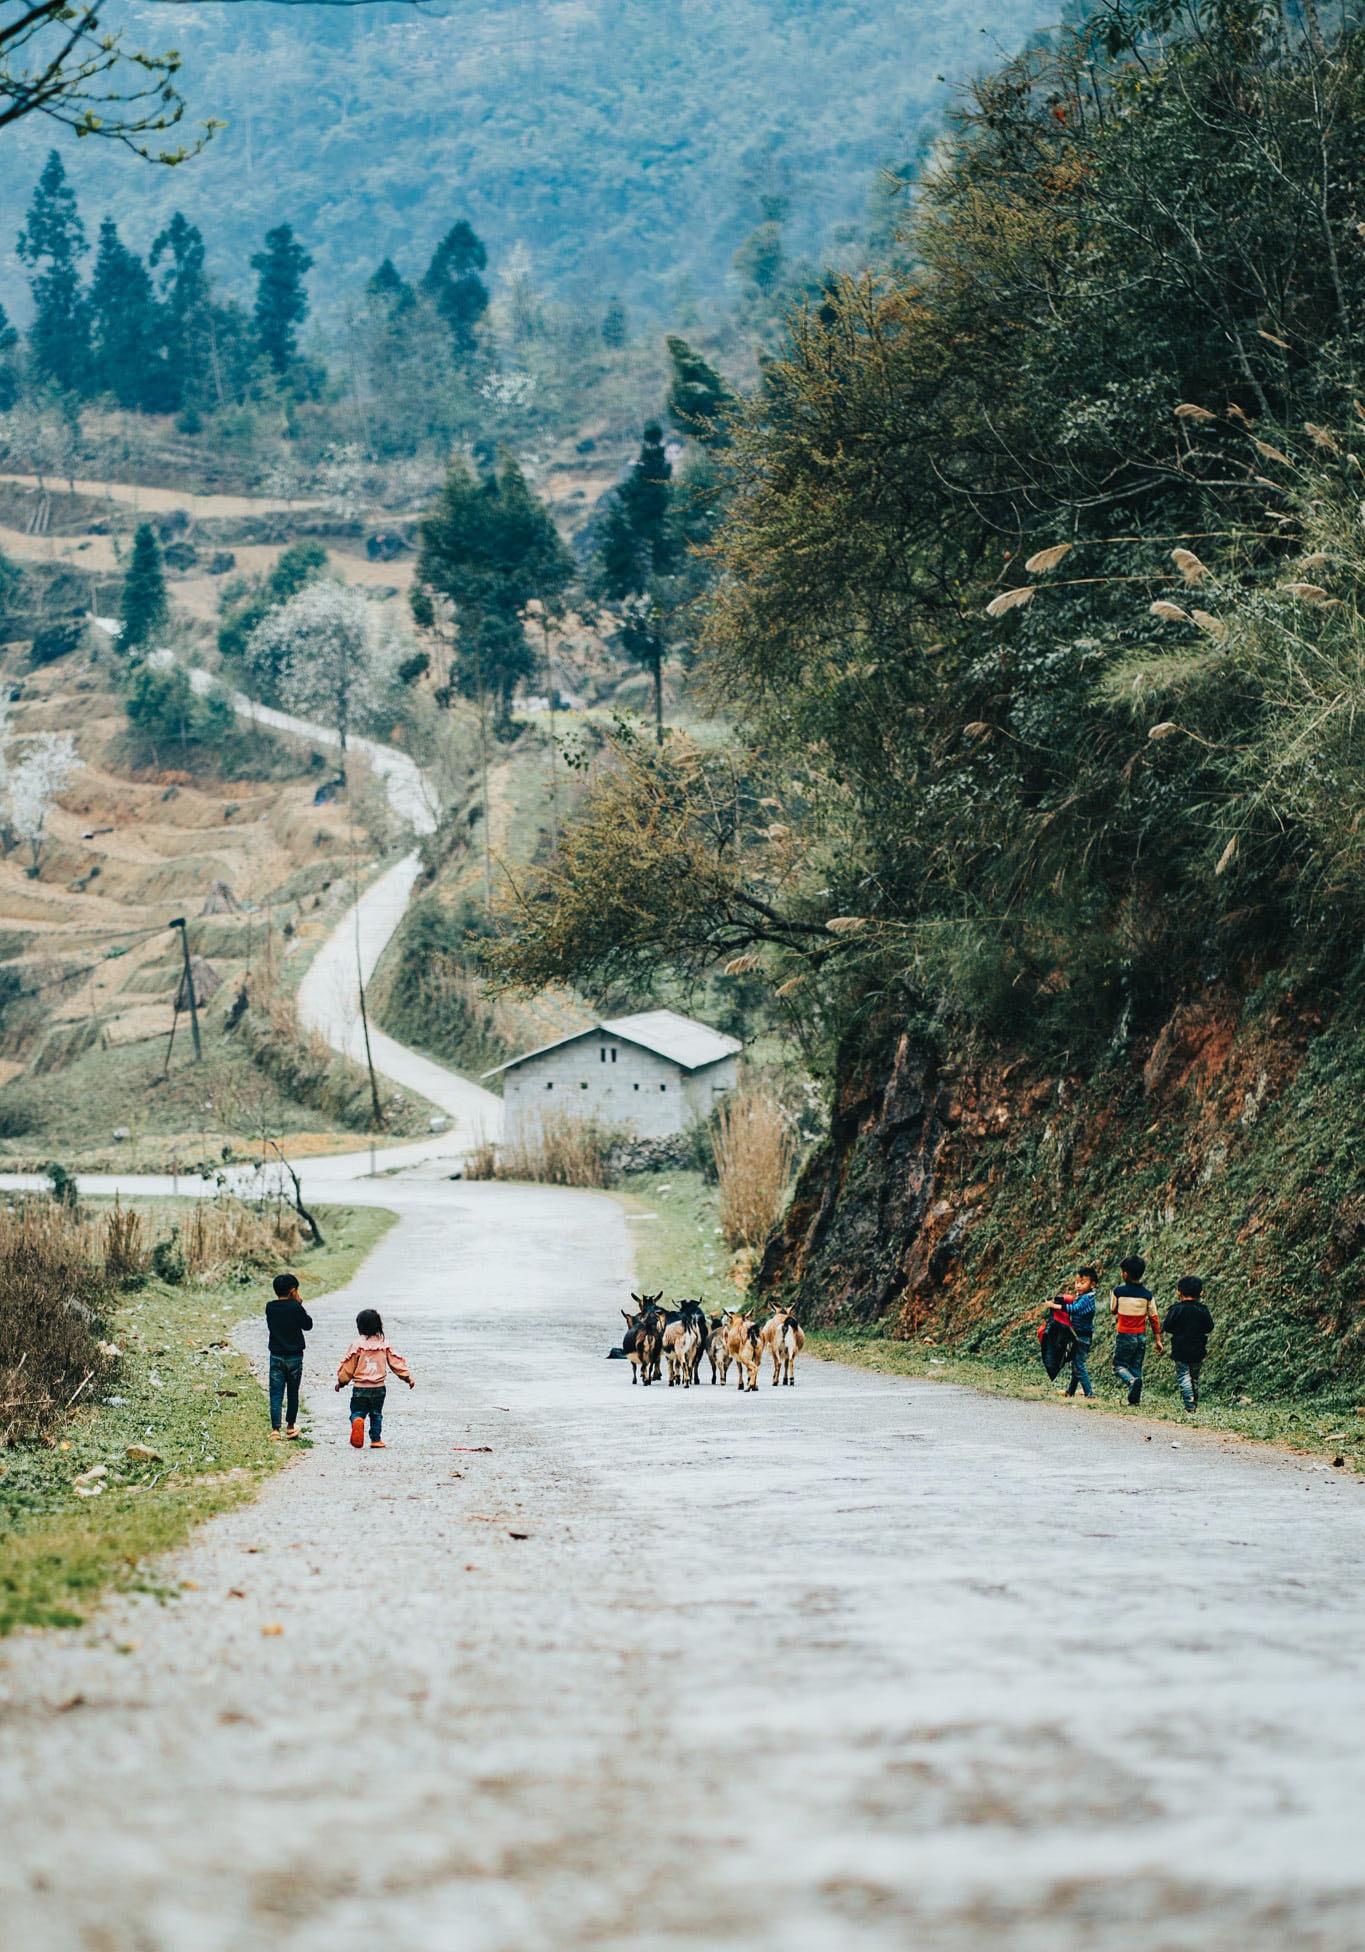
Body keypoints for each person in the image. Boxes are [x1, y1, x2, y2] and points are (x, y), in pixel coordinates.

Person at [335, 1308, 413, 1450]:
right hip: (379, 1388)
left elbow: (348, 1367)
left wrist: (341, 1382)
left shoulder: (357, 1345)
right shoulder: (384, 1345)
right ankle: (376, 1440)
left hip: (360, 1387)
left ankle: (357, 1420)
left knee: (357, 1411)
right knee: (376, 1414)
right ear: (379, 1326)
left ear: (360, 1327)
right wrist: (407, 1377)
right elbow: (396, 1363)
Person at [265, 1271, 312, 1440]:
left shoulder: (270, 1307)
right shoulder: (296, 1307)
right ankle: (291, 1427)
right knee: (293, 1392)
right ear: (293, 1291)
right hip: (294, 1358)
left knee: (276, 1394)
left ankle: (275, 1430)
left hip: (276, 1356)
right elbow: (308, 1325)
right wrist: (299, 1304)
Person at [1110, 1253, 1162, 1405]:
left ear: (1125, 1274)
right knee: (1136, 1366)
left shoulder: (1118, 1292)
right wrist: (1158, 1339)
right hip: (1141, 1337)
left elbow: (1113, 1310)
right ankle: (1135, 1401)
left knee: (1118, 1365)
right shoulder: (1147, 1295)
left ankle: (1131, 1381)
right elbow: (1154, 1318)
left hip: (1125, 1335)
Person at [1164, 1275, 1214, 1412]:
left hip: (1180, 1348)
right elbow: (1209, 1327)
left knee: (1183, 1376)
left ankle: (1189, 1405)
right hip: (1198, 1348)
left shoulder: (1175, 1309)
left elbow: (1167, 1326)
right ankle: (1194, 1403)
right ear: (1201, 1293)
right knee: (1194, 1378)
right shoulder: (1203, 1309)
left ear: (1178, 1292)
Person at [1063, 1265, 1098, 1400]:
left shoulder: (1087, 1299)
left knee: (1079, 1365)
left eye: (1082, 1283)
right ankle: (1070, 1392)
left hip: (1083, 1337)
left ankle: (1089, 1394)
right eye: (1077, 1282)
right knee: (1075, 1364)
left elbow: (1075, 1309)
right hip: (1078, 1335)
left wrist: (1058, 1306)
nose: (1078, 1285)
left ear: (1092, 1284)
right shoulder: (1081, 1296)